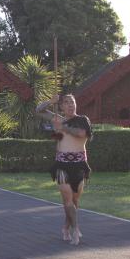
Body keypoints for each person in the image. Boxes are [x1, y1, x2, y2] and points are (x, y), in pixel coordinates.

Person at [36, 94, 92, 246]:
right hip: (62, 165)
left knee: (74, 200)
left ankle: (65, 227)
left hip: (79, 165)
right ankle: (75, 230)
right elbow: (39, 110)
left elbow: (81, 134)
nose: (70, 105)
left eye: (72, 102)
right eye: (66, 103)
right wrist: (50, 101)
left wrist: (63, 127)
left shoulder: (83, 120)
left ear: (76, 104)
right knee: (68, 200)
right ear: (61, 107)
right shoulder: (57, 118)